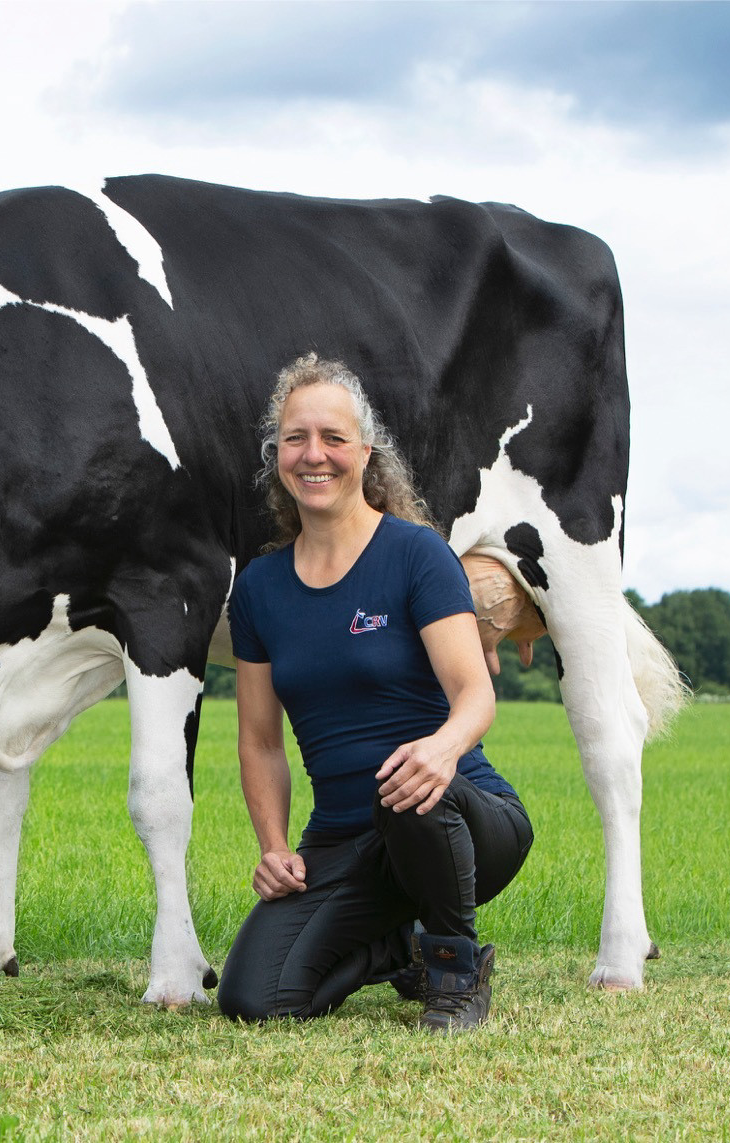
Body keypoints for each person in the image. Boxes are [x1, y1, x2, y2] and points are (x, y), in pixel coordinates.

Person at [216, 354, 533, 1032]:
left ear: (365, 450)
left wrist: (441, 750)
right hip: (345, 840)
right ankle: (398, 947)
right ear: (277, 454)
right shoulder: (260, 591)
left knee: (408, 785)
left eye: (333, 438)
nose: (314, 455)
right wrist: (273, 845)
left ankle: (455, 970)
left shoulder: (417, 555)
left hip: (464, 819)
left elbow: (474, 695)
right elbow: (260, 739)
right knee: (254, 999)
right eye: (296, 439)